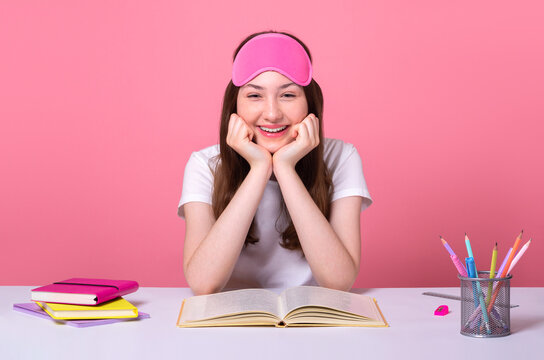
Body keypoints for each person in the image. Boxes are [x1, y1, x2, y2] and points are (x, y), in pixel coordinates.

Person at [178, 31, 372, 295]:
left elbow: (338, 282)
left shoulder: (342, 157)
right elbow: (203, 283)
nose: (271, 114)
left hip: (312, 320)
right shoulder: (204, 164)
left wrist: (285, 168)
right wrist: (259, 169)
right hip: (232, 323)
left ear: (310, 105)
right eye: (255, 96)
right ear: (233, 106)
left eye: (288, 95)